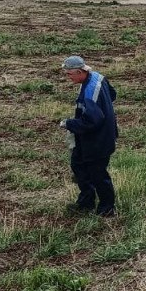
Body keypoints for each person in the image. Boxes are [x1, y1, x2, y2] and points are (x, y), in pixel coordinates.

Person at [59, 56, 118, 217]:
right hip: (88, 138)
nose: (68, 77)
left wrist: (69, 124)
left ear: (80, 71)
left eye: (70, 74)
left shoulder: (90, 92)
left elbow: (92, 121)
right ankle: (86, 202)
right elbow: (113, 95)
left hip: (98, 139)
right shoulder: (98, 77)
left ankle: (107, 208)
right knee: (78, 166)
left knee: (98, 173)